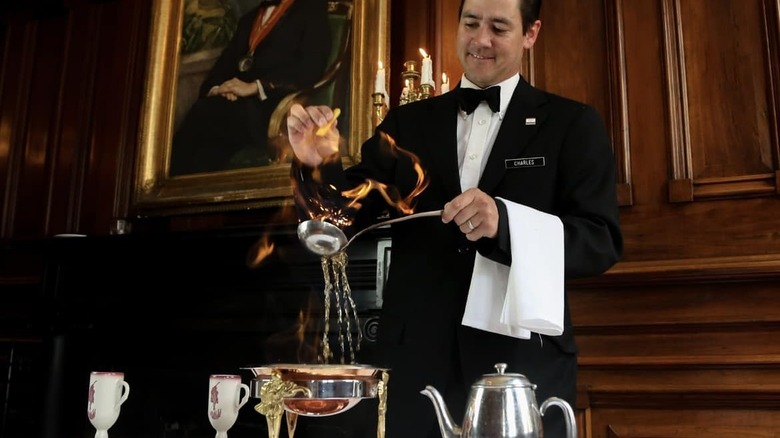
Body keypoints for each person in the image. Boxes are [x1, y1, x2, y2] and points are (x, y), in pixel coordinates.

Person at [286, 0, 623, 436]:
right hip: (415, 364)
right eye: (471, 23)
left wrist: (504, 223)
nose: (481, 40)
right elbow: (343, 220)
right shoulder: (406, 124)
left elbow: (599, 241)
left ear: (531, 33)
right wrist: (316, 165)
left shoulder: (571, 124)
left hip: (521, 362)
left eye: (499, 27)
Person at [169, 0, 332, 175]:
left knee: (203, 113)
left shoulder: (311, 9)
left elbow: (310, 69)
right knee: (206, 152)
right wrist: (220, 88)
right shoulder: (249, 19)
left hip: (273, 111)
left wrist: (255, 87)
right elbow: (222, 67)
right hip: (233, 109)